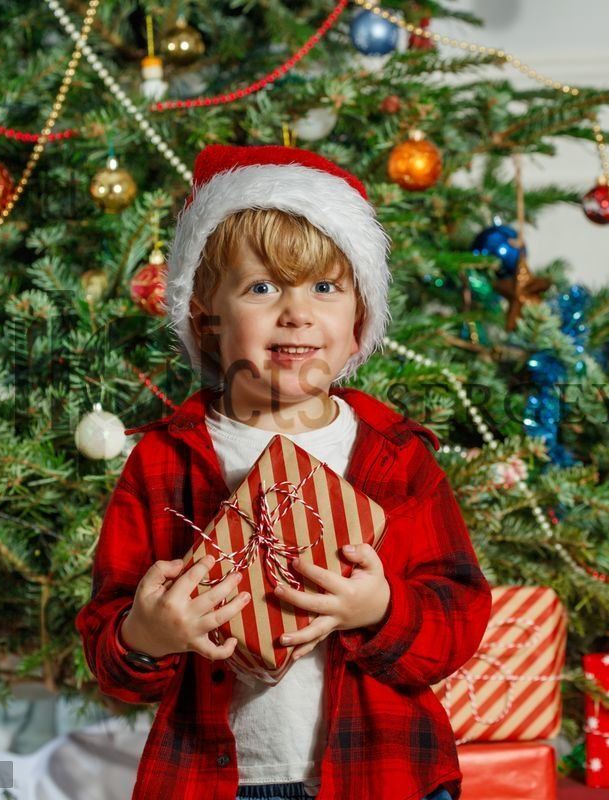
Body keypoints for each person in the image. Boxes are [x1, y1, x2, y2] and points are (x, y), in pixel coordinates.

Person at [75, 144, 493, 800]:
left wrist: (381, 609)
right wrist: (146, 634)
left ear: (358, 322)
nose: (296, 311)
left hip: (383, 777)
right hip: (218, 781)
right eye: (262, 286)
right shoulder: (165, 461)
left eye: (325, 287)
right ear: (206, 317)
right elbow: (109, 649)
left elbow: (460, 615)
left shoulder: (398, 456)